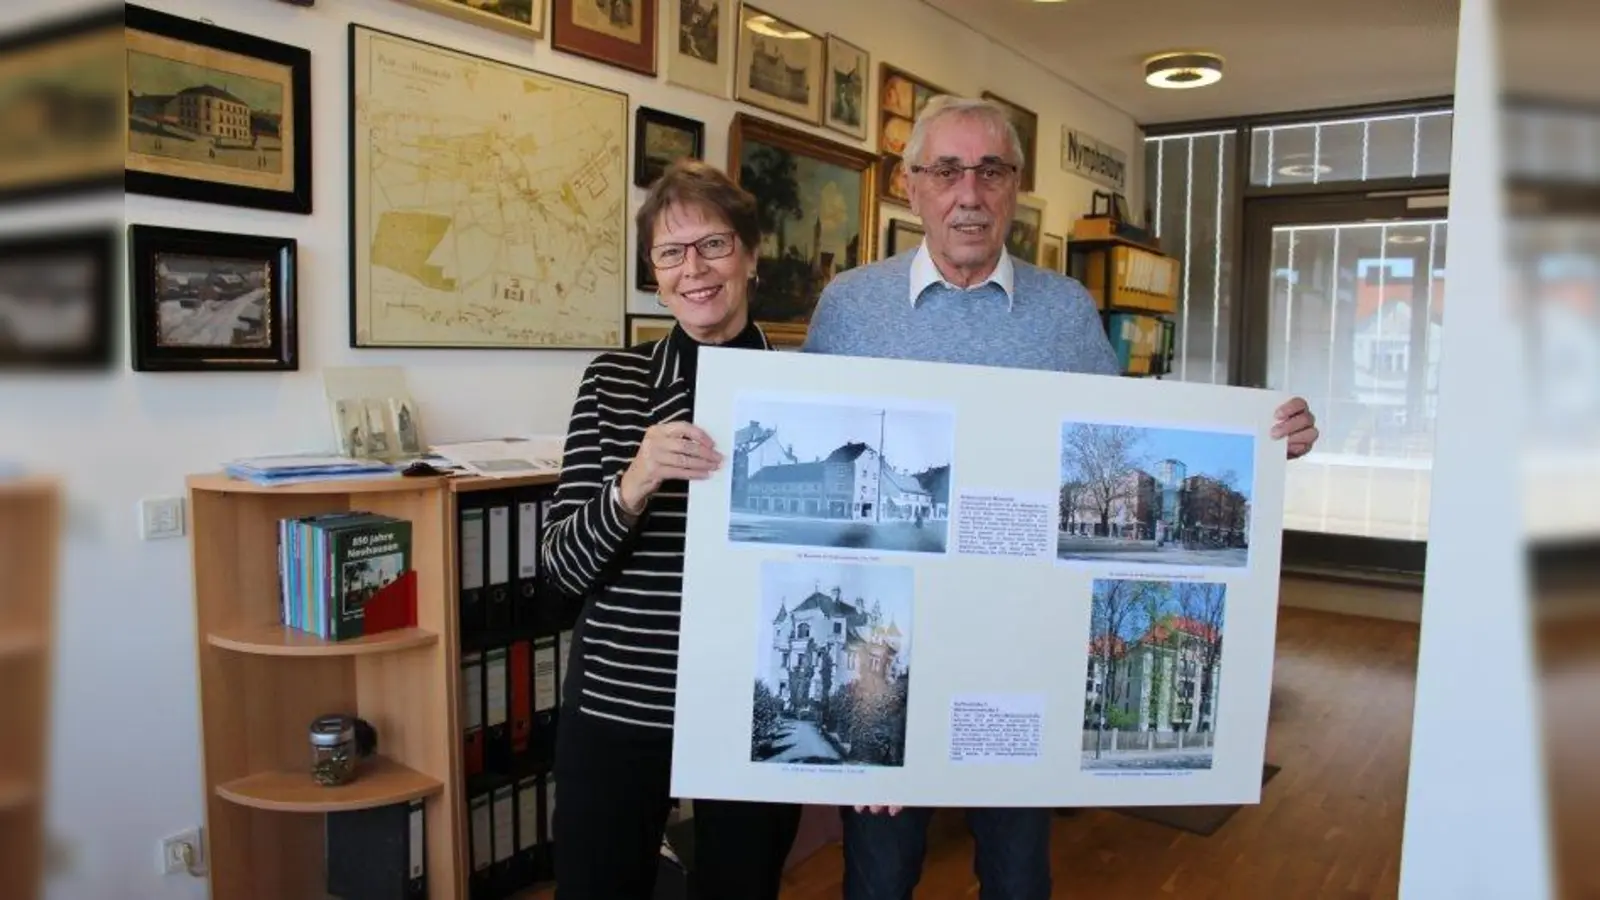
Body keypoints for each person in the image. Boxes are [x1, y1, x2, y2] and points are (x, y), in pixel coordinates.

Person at [802, 95, 1321, 899]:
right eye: (947, 170)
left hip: (1019, 641)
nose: (968, 193)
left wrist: (1264, 438)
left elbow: (1122, 446)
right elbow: (823, 457)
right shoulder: (849, 306)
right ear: (911, 186)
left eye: (991, 171)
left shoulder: (1067, 314)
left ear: (1014, 188)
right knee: (879, 873)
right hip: (896, 636)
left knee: (1017, 876)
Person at [540, 158, 802, 900]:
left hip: (754, 706)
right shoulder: (613, 381)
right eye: (670, 252)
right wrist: (634, 481)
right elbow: (561, 569)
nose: (695, 270)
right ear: (654, 273)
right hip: (621, 703)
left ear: (751, 256)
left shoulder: (805, 393)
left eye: (714, 245)